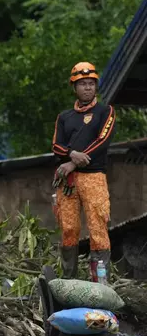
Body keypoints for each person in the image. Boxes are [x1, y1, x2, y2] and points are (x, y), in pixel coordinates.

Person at [52, 62, 115, 281]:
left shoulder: (105, 111)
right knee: (68, 229)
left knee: (98, 227)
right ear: (74, 87)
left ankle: (100, 282)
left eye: (91, 84)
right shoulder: (64, 117)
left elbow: (102, 141)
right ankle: (69, 282)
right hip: (67, 182)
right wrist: (71, 155)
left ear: (96, 86)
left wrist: (72, 162)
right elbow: (56, 147)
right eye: (82, 84)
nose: (87, 88)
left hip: (94, 178)